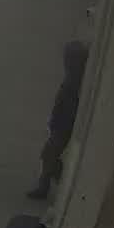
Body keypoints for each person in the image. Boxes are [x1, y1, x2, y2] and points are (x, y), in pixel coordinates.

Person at [28, 40, 90, 200]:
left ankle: (54, 185)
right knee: (49, 156)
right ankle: (51, 184)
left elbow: (68, 109)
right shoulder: (73, 78)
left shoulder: (73, 82)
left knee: (48, 155)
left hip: (62, 128)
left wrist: (56, 123)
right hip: (60, 126)